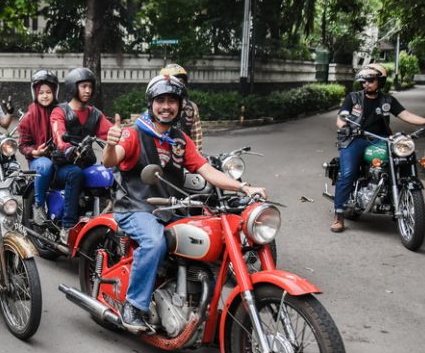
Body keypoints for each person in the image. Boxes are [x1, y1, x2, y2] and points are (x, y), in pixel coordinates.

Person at [101, 74, 267, 332]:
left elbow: (206, 170)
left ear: (180, 106)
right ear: (151, 103)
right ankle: (133, 305)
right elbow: (110, 160)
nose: (166, 106)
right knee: (154, 242)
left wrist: (243, 187)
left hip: (167, 209)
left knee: (210, 237)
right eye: (161, 100)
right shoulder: (133, 134)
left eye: (172, 101)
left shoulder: (180, 140)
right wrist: (110, 145)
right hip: (136, 206)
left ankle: (196, 302)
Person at [331, 63, 425, 233]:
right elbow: (340, 119)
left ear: (380, 81)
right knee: (348, 173)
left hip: (381, 140)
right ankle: (339, 215)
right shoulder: (353, 98)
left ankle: (400, 197)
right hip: (355, 139)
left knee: (403, 157)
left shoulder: (387, 100)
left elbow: (405, 114)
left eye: (370, 80)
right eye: (364, 81)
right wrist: (346, 127)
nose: (366, 84)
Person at [49, 67, 112, 241]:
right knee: (75, 173)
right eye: (83, 86)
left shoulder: (95, 114)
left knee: (106, 174)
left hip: (85, 163)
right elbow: (58, 134)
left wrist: (127, 141)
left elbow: (111, 132)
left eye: (90, 87)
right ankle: (68, 227)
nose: (88, 90)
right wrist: (67, 148)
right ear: (72, 87)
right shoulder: (60, 111)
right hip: (63, 166)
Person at [17, 69, 60, 223]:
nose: (45, 96)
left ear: (55, 92)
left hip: (61, 156)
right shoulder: (29, 116)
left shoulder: (62, 111)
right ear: (35, 93)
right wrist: (35, 152)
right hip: (38, 160)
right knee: (45, 165)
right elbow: (22, 145)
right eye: (41, 93)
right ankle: (39, 205)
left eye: (48, 92)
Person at [160, 63, 204, 152]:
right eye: (174, 81)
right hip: (162, 153)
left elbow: (197, 137)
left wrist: (197, 156)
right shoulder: (158, 107)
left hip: (185, 153)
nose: (178, 85)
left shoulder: (191, 108)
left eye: (181, 82)